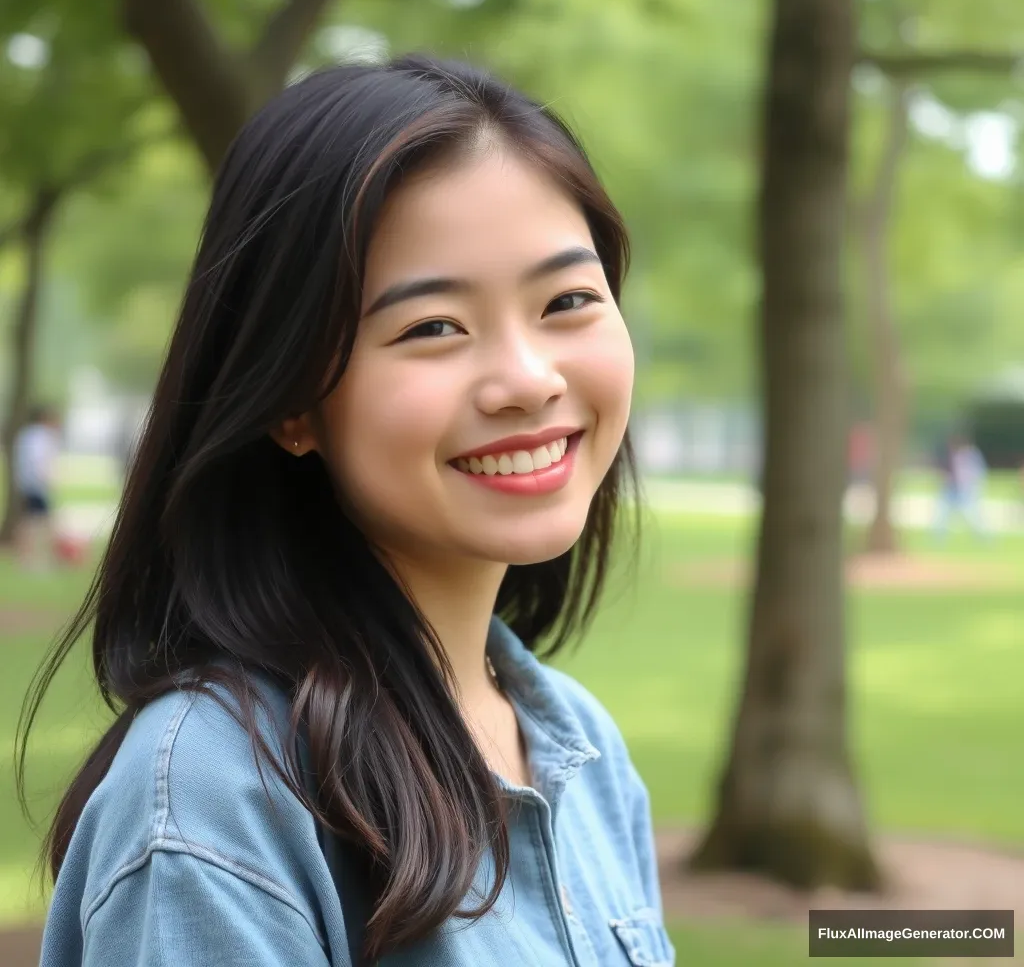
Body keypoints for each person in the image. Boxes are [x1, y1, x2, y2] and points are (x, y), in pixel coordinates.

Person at [22, 57, 674, 967]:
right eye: (433, 327)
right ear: (291, 400)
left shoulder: (578, 744)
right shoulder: (218, 795)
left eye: (568, 301)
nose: (529, 380)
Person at [13, 403, 61, 572]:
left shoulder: (27, 435)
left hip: (27, 483)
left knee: (30, 520)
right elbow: (39, 462)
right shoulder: (40, 436)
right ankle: (35, 558)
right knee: (39, 522)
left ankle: (28, 558)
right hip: (36, 485)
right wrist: (47, 480)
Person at [933, 432, 988, 539]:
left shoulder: (971, 455)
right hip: (951, 489)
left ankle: (984, 537)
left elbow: (977, 473)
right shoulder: (953, 455)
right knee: (942, 515)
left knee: (973, 515)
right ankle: (938, 537)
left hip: (965, 489)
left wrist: (972, 486)